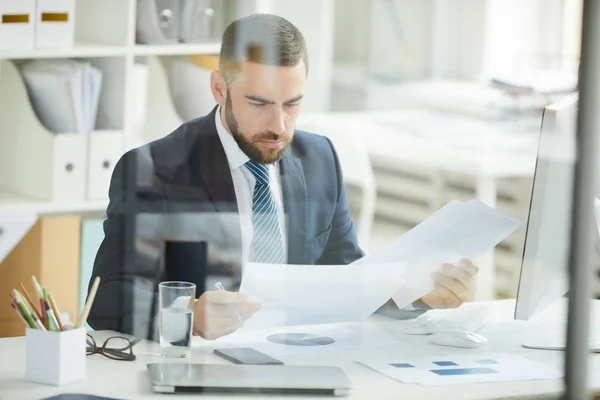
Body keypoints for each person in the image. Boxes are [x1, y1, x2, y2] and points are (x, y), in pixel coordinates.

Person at [87, 13, 479, 341]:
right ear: (219, 88)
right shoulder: (154, 169)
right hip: (202, 370)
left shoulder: (320, 158)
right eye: (259, 103)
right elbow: (107, 299)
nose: (278, 125)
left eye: (292, 104)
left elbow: (345, 279)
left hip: (298, 360)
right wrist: (186, 315)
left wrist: (415, 295)